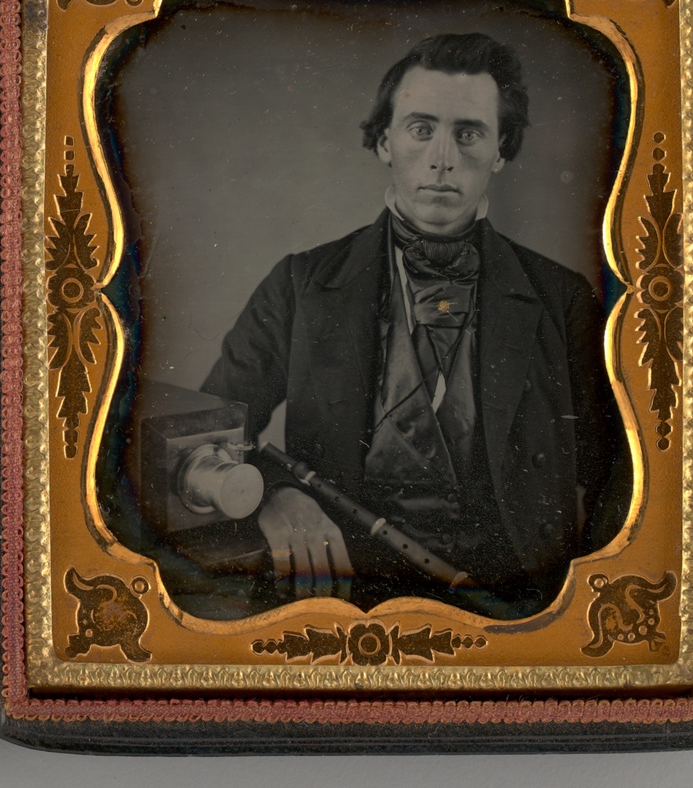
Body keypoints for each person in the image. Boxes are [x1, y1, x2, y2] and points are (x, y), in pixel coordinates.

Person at [202, 32, 630, 619]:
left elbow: (621, 476)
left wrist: (573, 610)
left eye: (469, 133)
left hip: (514, 608)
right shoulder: (300, 285)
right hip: (344, 600)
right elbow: (207, 436)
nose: (442, 158)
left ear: (501, 149)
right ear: (385, 141)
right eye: (421, 129)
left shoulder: (562, 298)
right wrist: (272, 495)